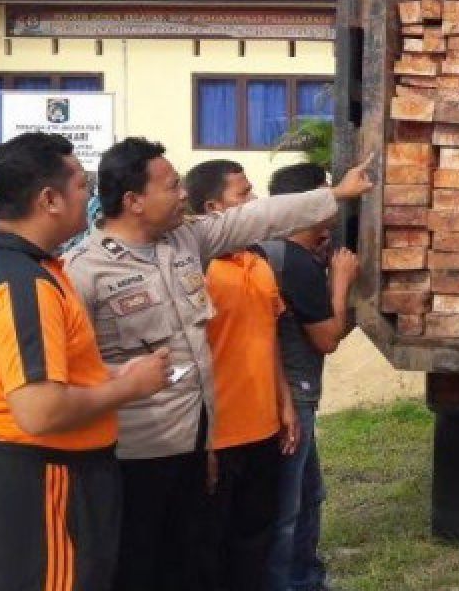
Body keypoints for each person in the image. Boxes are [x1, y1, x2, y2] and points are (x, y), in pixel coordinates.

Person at [63, 138, 371, 591]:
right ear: (133, 201)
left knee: (195, 562)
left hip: (197, 444)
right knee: (136, 567)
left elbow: (257, 217)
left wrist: (336, 195)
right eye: (172, 186)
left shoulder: (186, 239)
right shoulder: (83, 271)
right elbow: (72, 373)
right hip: (132, 456)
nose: (183, 194)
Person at [0, 132, 170, 591]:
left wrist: (114, 374)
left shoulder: (19, 263)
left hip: (46, 475)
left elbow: (48, 374)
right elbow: (39, 411)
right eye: (82, 187)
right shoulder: (21, 283)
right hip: (42, 481)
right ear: (49, 199)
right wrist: (131, 387)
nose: (90, 197)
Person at [184, 159, 299, 591]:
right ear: (214, 208)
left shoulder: (260, 261)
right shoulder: (197, 270)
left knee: (256, 540)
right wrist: (203, 439)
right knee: (211, 548)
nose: (254, 202)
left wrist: (285, 404)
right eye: (244, 194)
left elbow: (267, 340)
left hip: (263, 429)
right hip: (218, 436)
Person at [265, 162, 361, 591]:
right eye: (326, 195)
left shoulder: (271, 251)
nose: (333, 205)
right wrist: (339, 284)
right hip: (293, 398)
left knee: (308, 498)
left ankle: (307, 579)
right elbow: (326, 339)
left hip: (289, 393)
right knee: (288, 509)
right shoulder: (297, 264)